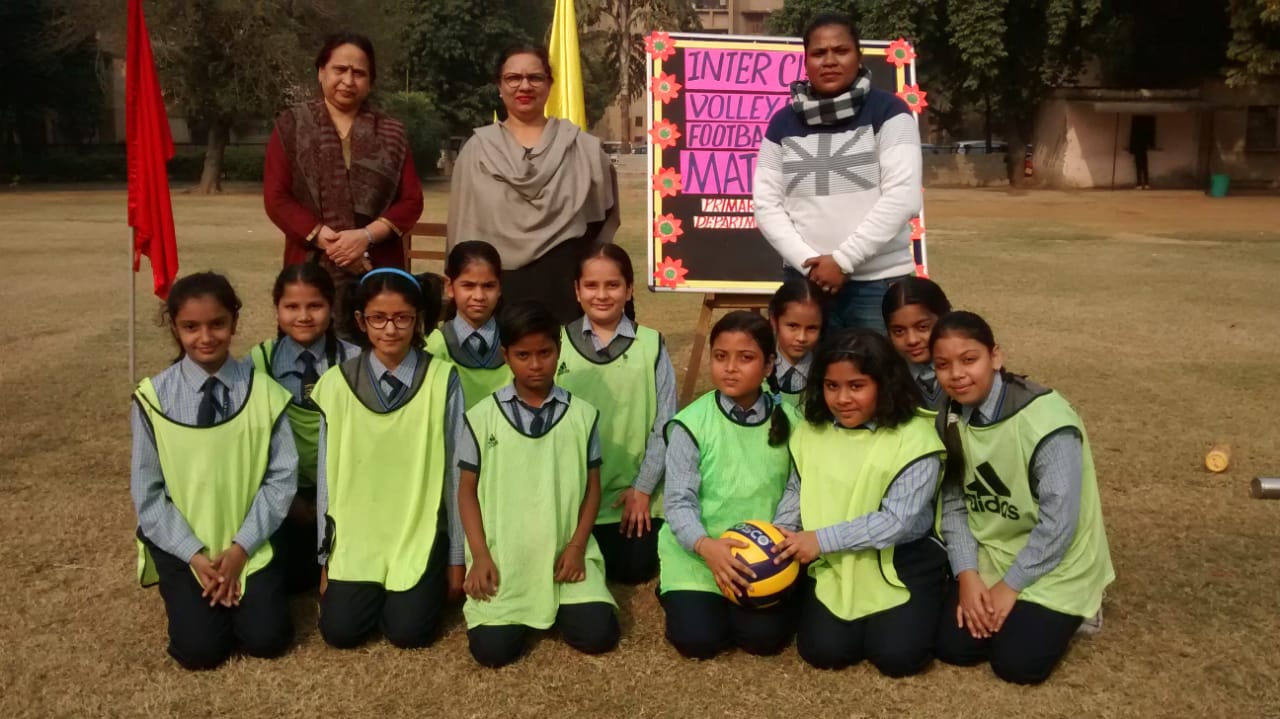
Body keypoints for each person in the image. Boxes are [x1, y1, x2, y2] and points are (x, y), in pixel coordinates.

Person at [930, 311, 1114, 685]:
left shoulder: (1046, 420)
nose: (957, 374)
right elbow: (953, 501)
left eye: (970, 359)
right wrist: (967, 574)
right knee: (954, 648)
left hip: (1056, 556)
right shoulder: (948, 412)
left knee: (1017, 665)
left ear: (995, 357)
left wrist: (1010, 586)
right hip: (995, 549)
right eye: (943, 365)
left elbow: (1059, 522)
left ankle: (1082, 608)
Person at [131, 272, 297, 670]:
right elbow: (148, 493)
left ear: (234, 323)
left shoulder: (266, 393)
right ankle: (199, 597)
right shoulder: (153, 398)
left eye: (217, 324)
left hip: (250, 542)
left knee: (267, 640)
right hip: (186, 547)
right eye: (191, 327)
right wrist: (195, 555)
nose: (205, 337)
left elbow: (281, 480)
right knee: (200, 652)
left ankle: (247, 595)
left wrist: (240, 550)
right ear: (175, 326)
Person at [772, 329, 947, 676]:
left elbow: (894, 522)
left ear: (884, 383)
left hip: (902, 558)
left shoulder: (916, 439)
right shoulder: (810, 430)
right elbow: (797, 489)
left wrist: (820, 540)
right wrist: (780, 532)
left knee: (898, 657)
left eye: (857, 386)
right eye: (831, 386)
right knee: (824, 651)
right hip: (835, 560)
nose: (842, 398)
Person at [310, 268, 465, 650]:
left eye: (402, 318)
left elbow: (456, 474)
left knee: (409, 633)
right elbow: (326, 478)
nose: (390, 329)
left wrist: (457, 558)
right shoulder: (336, 382)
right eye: (378, 318)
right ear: (361, 321)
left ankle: (407, 591)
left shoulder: (443, 378)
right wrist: (325, 559)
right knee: (341, 632)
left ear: (418, 319)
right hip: (358, 537)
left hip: (418, 533)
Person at [458, 301, 620, 667]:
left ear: (558, 351)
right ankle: (520, 604)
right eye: (523, 355)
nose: (535, 364)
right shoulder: (481, 417)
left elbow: (593, 487)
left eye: (544, 353)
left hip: (566, 552)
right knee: (492, 651)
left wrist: (578, 546)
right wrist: (480, 554)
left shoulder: (582, 415)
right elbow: (466, 489)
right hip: (506, 557)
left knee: (598, 635)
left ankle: (561, 602)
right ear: (506, 356)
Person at [753, 12, 922, 334]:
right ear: (805, 61)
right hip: (805, 284)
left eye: (840, 51)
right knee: (808, 381)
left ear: (858, 57)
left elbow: (903, 197)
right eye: (818, 53)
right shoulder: (782, 123)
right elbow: (766, 204)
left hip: (878, 283)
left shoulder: (890, 113)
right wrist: (810, 264)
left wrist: (843, 261)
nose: (829, 61)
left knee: (879, 380)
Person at [658, 311, 800, 659]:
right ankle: (677, 593)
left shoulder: (793, 422)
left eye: (745, 358)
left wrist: (773, 545)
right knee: (698, 641)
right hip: (700, 554)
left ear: (769, 365)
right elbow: (678, 502)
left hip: (762, 556)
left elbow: (795, 489)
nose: (730, 368)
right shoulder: (690, 424)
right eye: (720, 357)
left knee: (763, 641)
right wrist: (707, 546)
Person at [264, 32, 424, 337]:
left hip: (376, 266)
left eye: (359, 73)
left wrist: (364, 237)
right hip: (311, 266)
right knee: (310, 364)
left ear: (370, 82)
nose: (348, 81)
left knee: (379, 353)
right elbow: (277, 198)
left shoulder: (392, 133)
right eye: (340, 70)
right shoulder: (291, 126)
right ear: (321, 71)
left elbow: (411, 201)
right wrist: (334, 244)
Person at [447, 45, 619, 322]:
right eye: (513, 78)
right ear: (499, 86)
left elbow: (600, 220)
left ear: (550, 85)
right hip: (495, 294)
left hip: (565, 290)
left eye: (535, 78)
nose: (524, 86)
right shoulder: (476, 153)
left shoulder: (582, 149)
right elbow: (462, 231)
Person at [557, 244, 676, 584]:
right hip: (572, 497)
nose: (602, 295)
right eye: (591, 286)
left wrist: (643, 488)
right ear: (577, 291)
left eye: (612, 285)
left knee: (632, 570)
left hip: (630, 498)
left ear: (629, 289)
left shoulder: (652, 345)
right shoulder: (556, 344)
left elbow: (665, 425)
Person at [247, 263, 360, 593]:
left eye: (315, 305)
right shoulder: (259, 362)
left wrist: (331, 500)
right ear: (277, 309)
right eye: (291, 306)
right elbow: (252, 442)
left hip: (341, 495)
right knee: (290, 580)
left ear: (331, 305)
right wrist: (290, 498)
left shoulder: (354, 360)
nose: (304, 316)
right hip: (281, 494)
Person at [425, 241, 512, 409]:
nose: (479, 296)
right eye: (468, 286)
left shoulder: (514, 340)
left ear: (500, 287)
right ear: (450, 287)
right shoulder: (436, 346)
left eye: (488, 286)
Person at [881, 276, 951, 414]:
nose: (912, 340)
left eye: (923, 327)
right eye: (899, 331)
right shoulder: (885, 374)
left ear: (945, 318)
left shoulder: (968, 367)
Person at [768, 278, 824, 407]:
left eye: (812, 328)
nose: (802, 338)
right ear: (773, 320)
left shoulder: (827, 375)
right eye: (793, 326)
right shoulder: (756, 371)